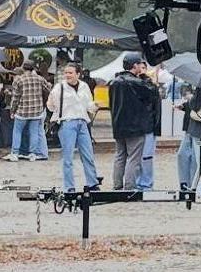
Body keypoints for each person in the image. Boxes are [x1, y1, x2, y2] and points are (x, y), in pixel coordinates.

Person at [47, 63, 101, 193]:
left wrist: (95, 106)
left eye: (70, 73)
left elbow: (88, 104)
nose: (67, 75)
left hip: (82, 122)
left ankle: (92, 183)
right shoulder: (59, 87)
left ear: (78, 74)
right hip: (67, 123)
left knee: (88, 154)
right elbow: (50, 105)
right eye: (66, 73)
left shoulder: (84, 86)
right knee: (68, 157)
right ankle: (69, 187)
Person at [109, 53, 159, 190]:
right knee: (133, 158)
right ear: (135, 65)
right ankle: (130, 186)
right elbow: (152, 91)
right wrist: (144, 76)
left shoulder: (114, 82)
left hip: (118, 126)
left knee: (120, 156)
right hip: (135, 127)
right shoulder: (136, 82)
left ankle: (117, 185)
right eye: (139, 65)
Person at [6, 61, 51, 161]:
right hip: (36, 111)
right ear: (33, 68)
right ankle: (32, 153)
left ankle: (15, 153)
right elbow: (48, 89)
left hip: (22, 111)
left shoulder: (19, 80)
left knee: (17, 132)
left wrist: (12, 111)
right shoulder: (39, 79)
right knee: (34, 132)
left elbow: (15, 98)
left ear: (23, 68)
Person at [176, 85, 201, 193]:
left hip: (197, 128)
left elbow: (194, 104)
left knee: (195, 158)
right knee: (185, 155)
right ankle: (187, 183)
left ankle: (191, 184)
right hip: (192, 127)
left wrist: (190, 99)